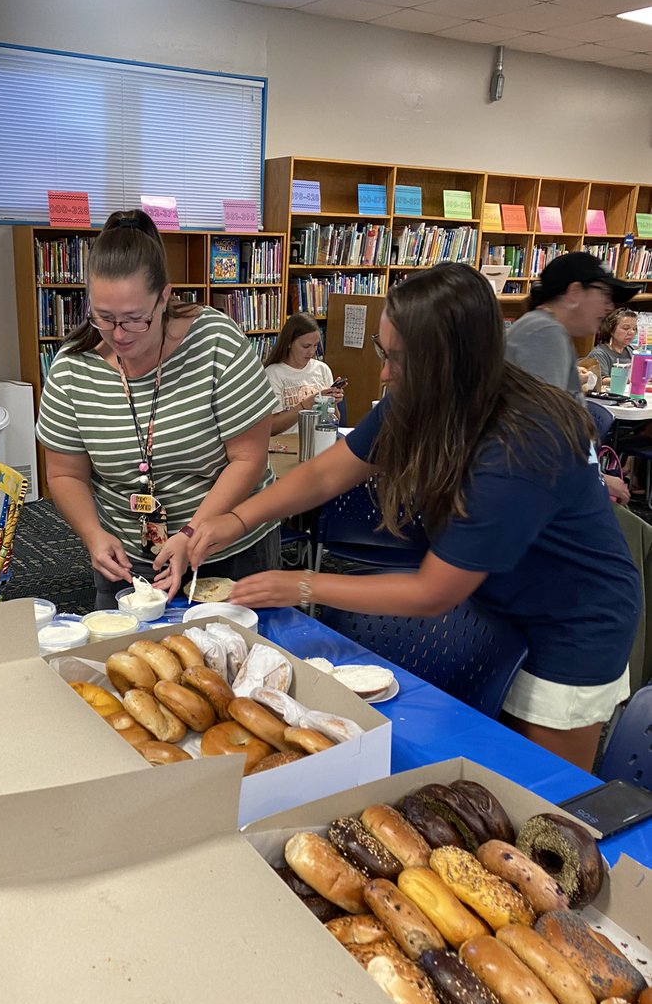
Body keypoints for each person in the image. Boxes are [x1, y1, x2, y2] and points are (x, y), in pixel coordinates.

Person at [186, 262, 640, 772]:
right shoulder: (422, 396)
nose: (383, 373)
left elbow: (432, 592)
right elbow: (323, 476)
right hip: (496, 601)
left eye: (399, 359)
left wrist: (304, 586)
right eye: (384, 352)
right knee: (480, 761)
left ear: (450, 362)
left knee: (537, 784)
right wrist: (237, 521)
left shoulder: (519, 446)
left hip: (572, 623)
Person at [36, 209, 281, 607]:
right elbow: (64, 472)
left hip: (228, 553)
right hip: (128, 563)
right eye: (104, 317)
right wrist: (93, 535)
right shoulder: (71, 367)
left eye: (135, 319)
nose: (118, 335)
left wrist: (191, 533)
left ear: (164, 297)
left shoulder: (216, 343)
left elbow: (248, 458)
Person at [505, 252, 641, 505]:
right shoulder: (544, 334)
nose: (609, 306)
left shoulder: (544, 330)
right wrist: (597, 479)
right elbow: (545, 437)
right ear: (575, 292)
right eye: (603, 293)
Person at [265, 313, 345, 435]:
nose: (311, 352)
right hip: (287, 445)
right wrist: (306, 404)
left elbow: (334, 421)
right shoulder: (273, 373)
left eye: (315, 346)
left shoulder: (322, 369)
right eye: (306, 346)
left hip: (320, 440)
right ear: (289, 343)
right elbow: (271, 428)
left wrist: (332, 402)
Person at [584, 307, 639, 388]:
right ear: (611, 330)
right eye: (626, 328)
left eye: (634, 329)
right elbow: (601, 380)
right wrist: (632, 380)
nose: (631, 332)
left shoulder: (633, 351)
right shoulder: (599, 353)